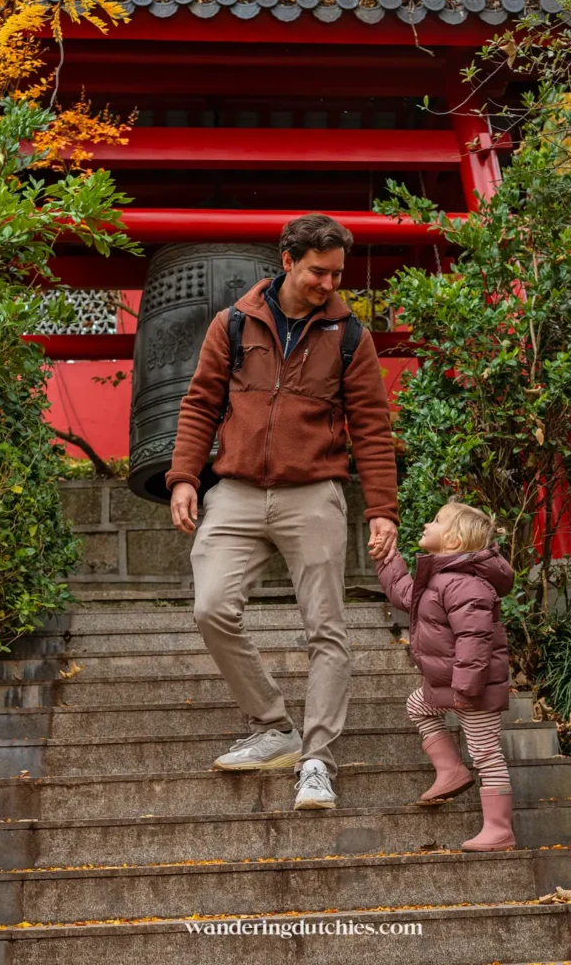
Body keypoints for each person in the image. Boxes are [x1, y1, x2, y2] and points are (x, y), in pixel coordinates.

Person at [166, 213, 399, 811]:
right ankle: (273, 727)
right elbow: (199, 404)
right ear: (288, 261)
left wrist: (382, 509)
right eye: (319, 272)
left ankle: (317, 758)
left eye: (338, 274)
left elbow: (372, 427)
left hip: (314, 492)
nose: (330, 284)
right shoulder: (233, 322)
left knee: (328, 628)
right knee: (211, 607)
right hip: (236, 491)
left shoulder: (350, 335)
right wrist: (185, 477)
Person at [374, 500, 517, 852]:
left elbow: (476, 638)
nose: (426, 524)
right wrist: (388, 558)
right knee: (418, 706)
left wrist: (466, 689)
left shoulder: (465, 584)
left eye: (436, 521)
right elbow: (405, 596)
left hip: (472, 688)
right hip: (447, 684)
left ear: (453, 541)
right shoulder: (439, 578)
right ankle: (451, 770)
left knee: (486, 754)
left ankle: (499, 829)